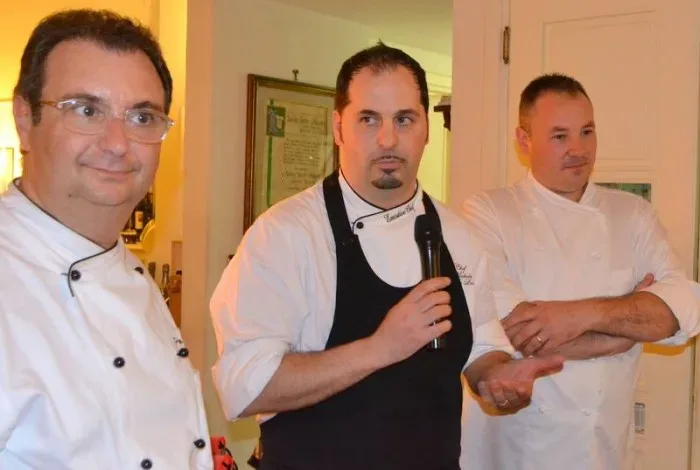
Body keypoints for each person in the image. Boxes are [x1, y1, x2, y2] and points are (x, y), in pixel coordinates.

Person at [210, 42, 564, 470]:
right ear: (338, 128)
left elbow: (482, 350)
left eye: (404, 119)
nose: (388, 139)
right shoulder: (285, 235)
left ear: (426, 129)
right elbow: (245, 387)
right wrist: (381, 348)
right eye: (368, 119)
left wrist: (499, 378)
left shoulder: (458, 235)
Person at [0, 9, 214, 469]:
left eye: (142, 117)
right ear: (24, 119)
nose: (118, 143)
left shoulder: (127, 272)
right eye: (86, 110)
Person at [459, 73, 700, 470]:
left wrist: (575, 316)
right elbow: (510, 332)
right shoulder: (488, 212)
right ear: (524, 141)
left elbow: (684, 309)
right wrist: (625, 329)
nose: (578, 149)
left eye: (587, 132)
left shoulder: (632, 214)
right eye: (560, 136)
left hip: (603, 449)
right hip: (519, 450)